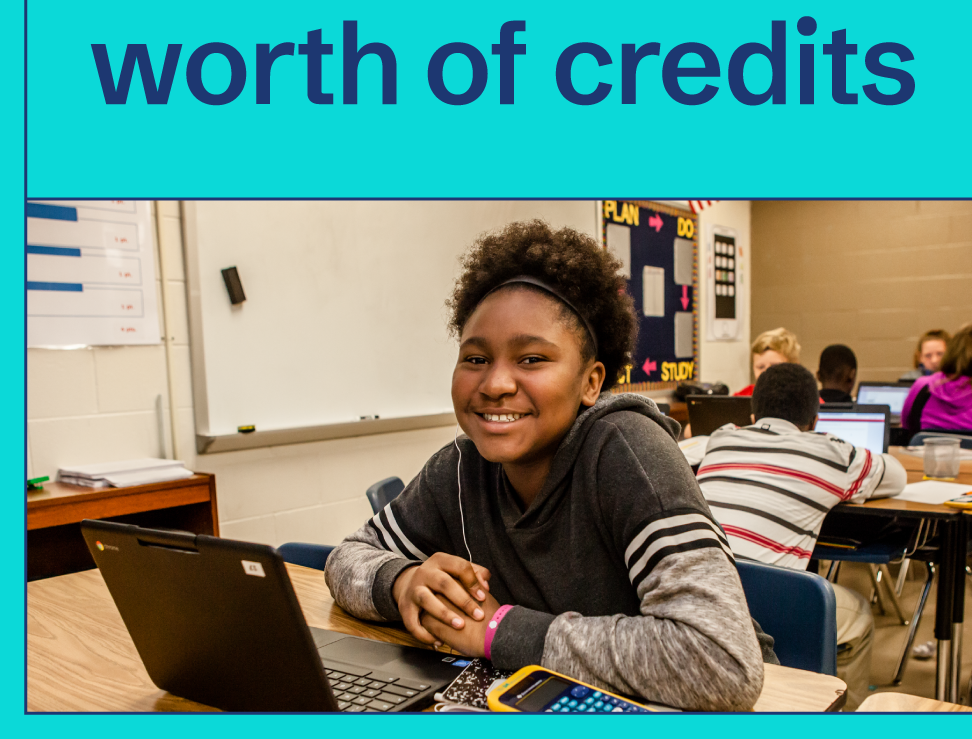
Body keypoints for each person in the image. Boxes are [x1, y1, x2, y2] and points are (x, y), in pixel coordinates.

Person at [324, 221, 773, 711]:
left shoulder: (626, 451)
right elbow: (348, 558)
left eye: (532, 358)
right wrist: (402, 583)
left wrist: (498, 631)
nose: (495, 383)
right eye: (475, 358)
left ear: (591, 382)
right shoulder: (460, 466)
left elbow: (721, 664)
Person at [696, 363, 907, 709]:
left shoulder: (721, 438)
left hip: (703, 596)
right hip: (770, 611)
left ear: (752, 411)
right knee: (860, 613)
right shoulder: (835, 452)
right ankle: (833, 709)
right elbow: (896, 476)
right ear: (815, 419)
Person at [732, 326, 801, 396]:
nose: (767, 372)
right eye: (760, 367)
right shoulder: (744, 396)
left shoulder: (801, 397)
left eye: (774, 366)